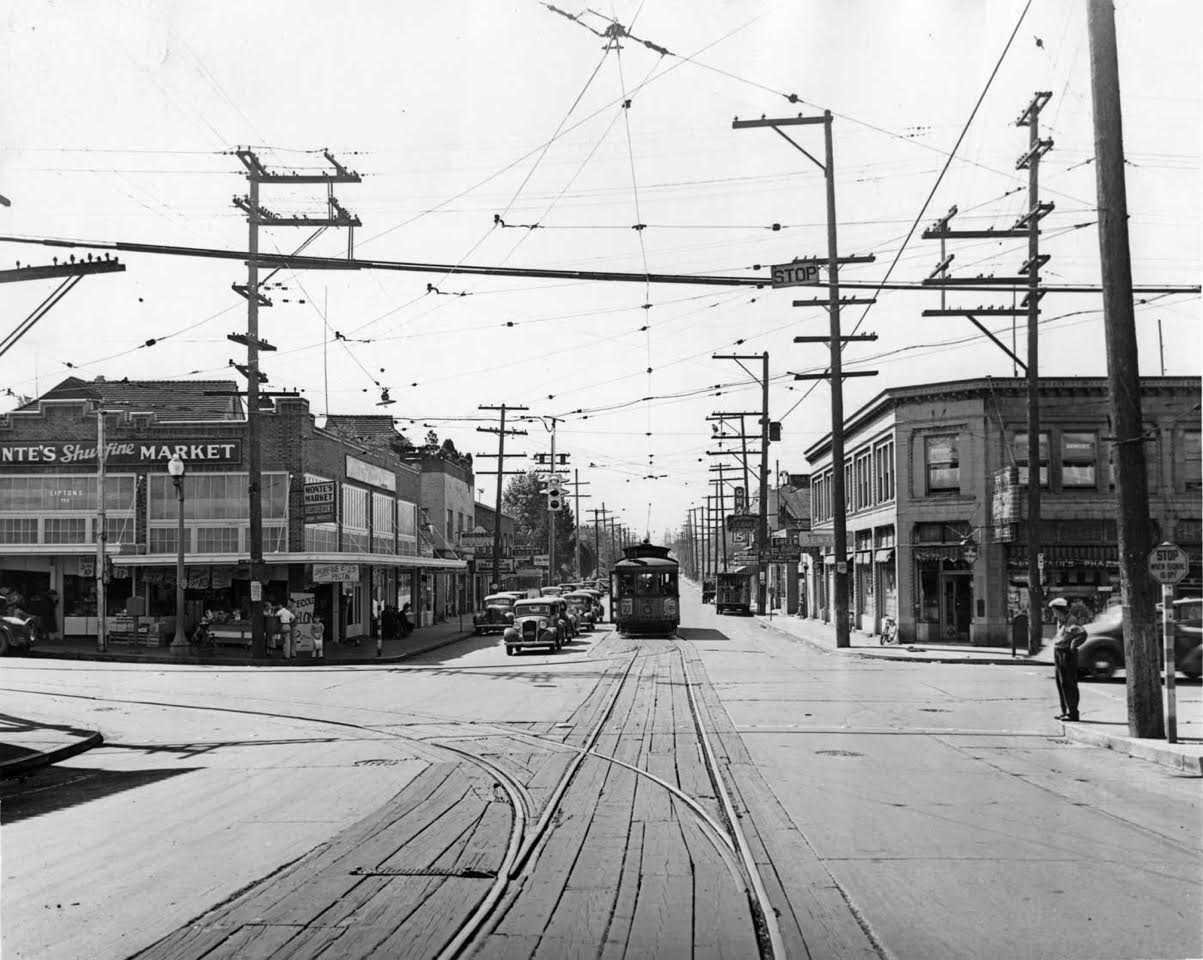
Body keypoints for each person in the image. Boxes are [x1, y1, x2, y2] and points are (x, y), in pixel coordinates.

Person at [1049, 596, 1087, 721]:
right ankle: (1064, 711)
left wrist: (1073, 645)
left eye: (1054, 611)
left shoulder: (1072, 621)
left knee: (1068, 684)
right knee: (1061, 684)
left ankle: (1073, 713)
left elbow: (1082, 634)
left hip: (1066, 654)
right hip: (1059, 653)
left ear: (1060, 610)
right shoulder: (1062, 621)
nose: (1054, 614)